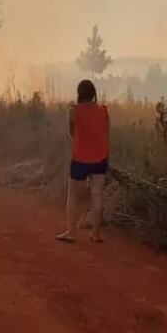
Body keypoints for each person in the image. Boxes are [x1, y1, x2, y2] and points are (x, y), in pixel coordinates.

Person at [56, 79, 110, 244]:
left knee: (73, 195)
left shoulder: (74, 110)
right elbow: (106, 132)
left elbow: (72, 133)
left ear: (79, 93)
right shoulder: (103, 110)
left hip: (80, 158)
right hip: (100, 158)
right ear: (93, 94)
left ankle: (71, 232)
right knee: (97, 195)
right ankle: (96, 234)